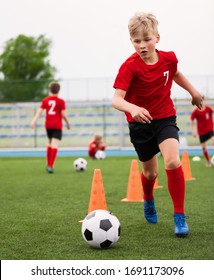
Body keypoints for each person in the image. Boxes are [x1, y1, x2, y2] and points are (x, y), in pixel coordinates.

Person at [112, 12, 203, 237]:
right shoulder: (129, 67)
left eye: (147, 40)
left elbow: (176, 74)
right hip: (140, 125)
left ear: (157, 38)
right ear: (131, 41)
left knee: (172, 161)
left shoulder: (169, 58)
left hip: (164, 119)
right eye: (137, 41)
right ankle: (149, 199)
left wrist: (193, 92)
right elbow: (116, 99)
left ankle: (179, 216)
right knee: (151, 174)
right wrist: (132, 108)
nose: (142, 46)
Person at [30, 82, 71, 173]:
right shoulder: (61, 101)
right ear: (59, 90)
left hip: (48, 125)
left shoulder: (46, 100)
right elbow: (63, 114)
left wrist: (34, 121)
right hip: (57, 125)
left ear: (50, 90)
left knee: (49, 144)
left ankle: (48, 164)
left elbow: (39, 112)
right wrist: (68, 123)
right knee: (55, 145)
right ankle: (50, 166)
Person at [190, 99, 214, 167]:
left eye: (202, 101)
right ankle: (208, 161)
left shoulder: (208, 109)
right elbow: (191, 121)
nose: (201, 102)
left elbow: (212, 115)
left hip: (209, 129)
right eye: (199, 101)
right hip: (201, 132)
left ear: (204, 101)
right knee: (203, 147)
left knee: (213, 139)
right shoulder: (195, 112)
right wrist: (193, 131)